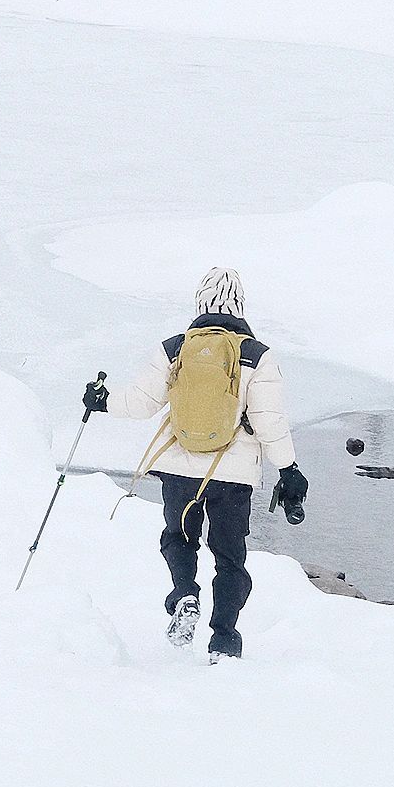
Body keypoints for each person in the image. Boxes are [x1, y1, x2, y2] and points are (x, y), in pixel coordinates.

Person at [83, 267, 306, 661]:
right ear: (240, 306)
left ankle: (185, 592)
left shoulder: (175, 348)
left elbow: (141, 402)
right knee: (229, 557)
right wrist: (288, 469)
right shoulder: (257, 356)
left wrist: (101, 402)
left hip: (180, 470)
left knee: (178, 537)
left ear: (200, 303)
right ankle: (223, 639)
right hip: (234, 477)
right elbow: (270, 422)